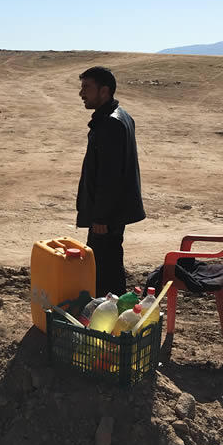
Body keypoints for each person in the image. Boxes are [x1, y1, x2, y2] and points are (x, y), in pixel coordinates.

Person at [76, 66, 145, 295]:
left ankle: (105, 322)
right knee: (109, 264)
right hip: (112, 213)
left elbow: (110, 176)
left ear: (104, 91)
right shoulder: (118, 117)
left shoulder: (111, 123)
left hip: (106, 216)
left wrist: (100, 217)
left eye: (87, 87)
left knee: (104, 270)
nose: (81, 93)